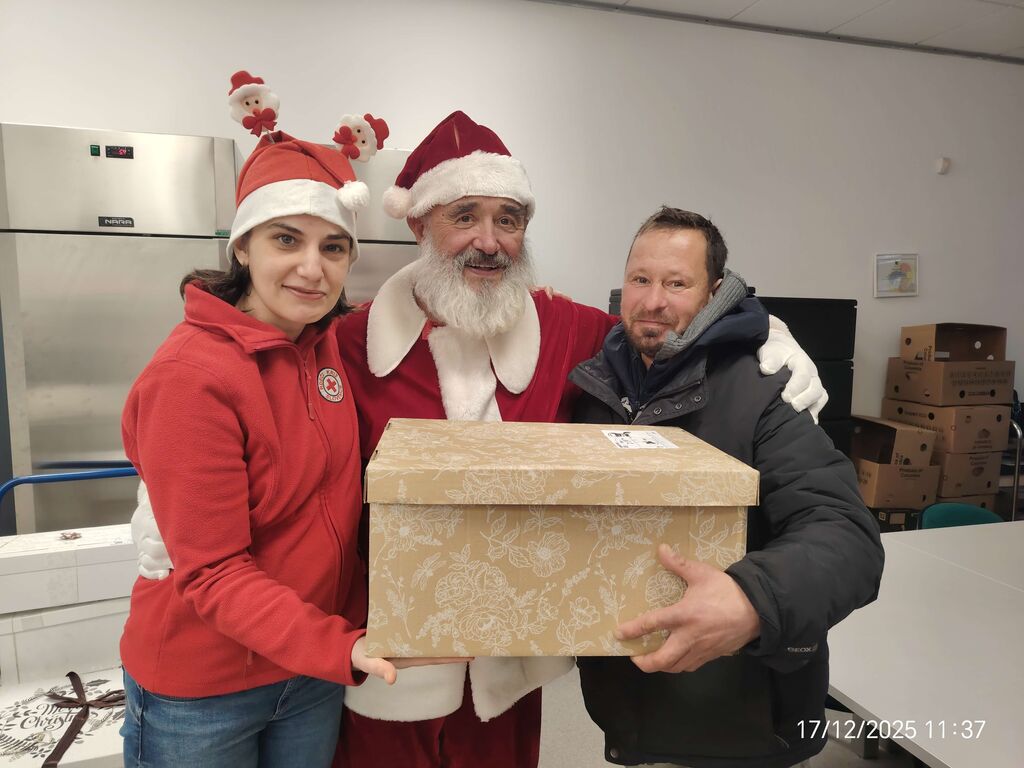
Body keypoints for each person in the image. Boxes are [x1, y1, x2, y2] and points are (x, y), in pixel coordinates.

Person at [131, 112, 829, 768]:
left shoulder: (569, 332)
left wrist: (765, 334)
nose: (489, 241)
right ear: (419, 226)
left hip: (508, 669)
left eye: (509, 220)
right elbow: (238, 387)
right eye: (463, 216)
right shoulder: (342, 344)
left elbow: (665, 325)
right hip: (378, 663)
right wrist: (160, 495)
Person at [118, 122, 438, 768]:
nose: (312, 269)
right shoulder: (192, 375)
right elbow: (213, 572)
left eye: (333, 247)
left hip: (307, 674)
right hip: (204, 689)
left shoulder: (324, 346)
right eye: (286, 239)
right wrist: (340, 647)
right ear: (243, 245)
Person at [569, 207, 885, 768]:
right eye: (640, 279)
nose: (653, 300)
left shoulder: (765, 389)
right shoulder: (594, 386)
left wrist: (752, 600)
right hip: (631, 706)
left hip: (744, 715)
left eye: (677, 283)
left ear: (715, 293)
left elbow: (845, 535)